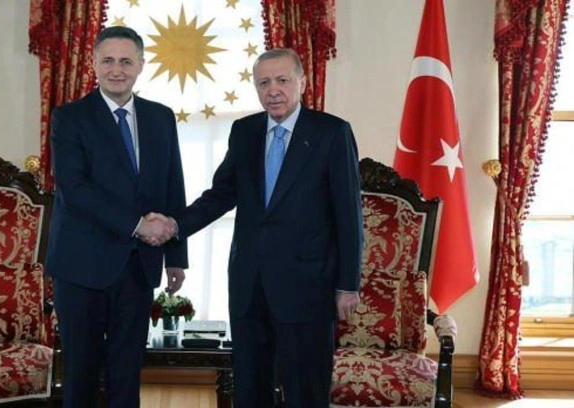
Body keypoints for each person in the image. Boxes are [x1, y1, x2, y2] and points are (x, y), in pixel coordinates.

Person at [145, 48, 363, 408]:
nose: (273, 90)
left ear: (302, 82)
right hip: (249, 284)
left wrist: (348, 284)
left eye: (282, 80)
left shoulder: (331, 133)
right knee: (249, 389)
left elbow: (348, 214)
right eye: (264, 82)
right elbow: (221, 195)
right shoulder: (244, 131)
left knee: (305, 391)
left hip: (307, 286)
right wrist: (174, 225)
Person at [44, 26, 187, 408]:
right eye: (107, 60)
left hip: (137, 267)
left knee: (127, 374)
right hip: (80, 267)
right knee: (81, 376)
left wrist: (176, 255)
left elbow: (173, 185)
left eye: (126, 61)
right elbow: (74, 190)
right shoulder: (69, 118)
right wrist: (139, 226)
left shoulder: (161, 117)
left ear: (141, 65)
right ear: (93, 64)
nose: (116, 69)